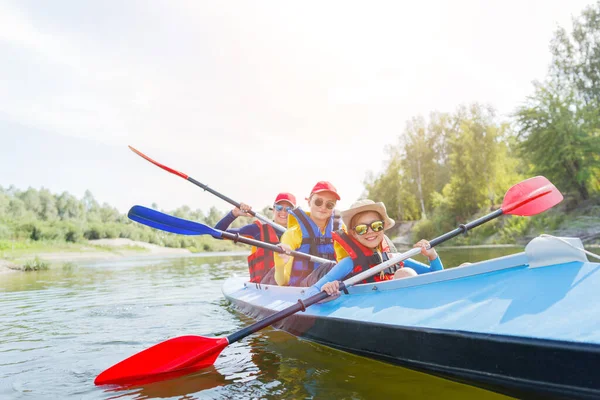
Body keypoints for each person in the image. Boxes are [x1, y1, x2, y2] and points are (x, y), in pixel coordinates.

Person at [310, 199, 444, 296]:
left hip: (403, 309)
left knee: (405, 273)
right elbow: (314, 290)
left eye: (376, 226)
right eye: (362, 228)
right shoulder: (349, 263)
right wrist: (326, 288)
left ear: (383, 227)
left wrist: (432, 256)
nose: (370, 231)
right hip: (368, 311)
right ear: (353, 234)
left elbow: (439, 276)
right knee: (406, 273)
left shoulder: (396, 258)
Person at [214, 192, 296, 283]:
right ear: (273, 209)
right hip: (265, 284)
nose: (283, 212)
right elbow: (216, 233)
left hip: (293, 285)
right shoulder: (257, 229)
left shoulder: (300, 233)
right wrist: (234, 214)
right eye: (279, 208)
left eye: (288, 209)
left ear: (294, 212)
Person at [274, 181, 342, 287]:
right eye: (318, 202)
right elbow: (282, 282)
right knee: (328, 269)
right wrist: (279, 265)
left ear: (334, 207)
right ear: (309, 201)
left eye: (329, 204)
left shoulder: (341, 231)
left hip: (337, 286)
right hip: (304, 289)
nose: (323, 207)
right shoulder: (292, 234)